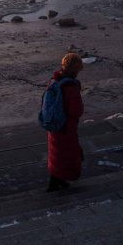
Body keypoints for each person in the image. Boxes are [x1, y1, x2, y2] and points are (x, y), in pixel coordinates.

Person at [47, 52, 85, 191]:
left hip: (53, 123)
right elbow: (75, 111)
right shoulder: (71, 86)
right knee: (67, 153)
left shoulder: (54, 80)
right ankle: (56, 182)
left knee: (56, 152)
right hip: (66, 126)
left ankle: (58, 180)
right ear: (75, 69)